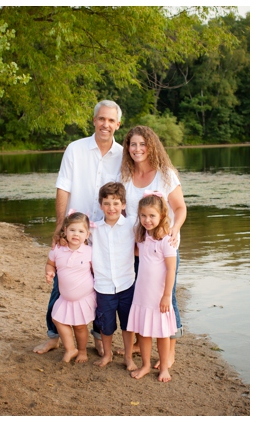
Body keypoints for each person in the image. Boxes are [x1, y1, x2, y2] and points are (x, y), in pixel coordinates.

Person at [35, 100, 123, 355]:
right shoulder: (75, 149)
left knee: (100, 283)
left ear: (118, 124)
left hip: (105, 231)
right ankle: (53, 335)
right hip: (75, 230)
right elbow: (63, 187)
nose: (105, 124)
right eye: (101, 119)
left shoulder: (122, 155)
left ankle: (98, 336)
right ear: (94, 120)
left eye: (111, 120)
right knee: (62, 279)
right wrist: (60, 226)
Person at [120, 125, 187, 369]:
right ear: (128, 148)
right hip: (137, 247)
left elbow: (180, 208)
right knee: (141, 294)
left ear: (152, 146)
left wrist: (174, 230)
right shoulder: (125, 175)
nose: (137, 149)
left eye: (142, 144)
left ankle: (170, 352)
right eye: (133, 144)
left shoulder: (165, 173)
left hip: (163, 247)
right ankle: (142, 342)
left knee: (167, 297)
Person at [126, 193, 177, 382]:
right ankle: (146, 365)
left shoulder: (167, 240)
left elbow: (171, 269)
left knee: (162, 334)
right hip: (142, 293)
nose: (147, 220)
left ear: (162, 215)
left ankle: (164, 368)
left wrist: (166, 296)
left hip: (159, 295)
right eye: (143, 216)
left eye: (152, 216)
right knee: (144, 332)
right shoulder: (141, 235)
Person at [89, 183, 137, 370]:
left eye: (116, 203)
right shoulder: (94, 228)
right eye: (107, 203)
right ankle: (107, 355)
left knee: (127, 323)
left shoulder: (131, 224)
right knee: (106, 325)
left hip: (126, 283)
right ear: (101, 205)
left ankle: (128, 357)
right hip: (103, 285)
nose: (111, 208)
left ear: (123, 204)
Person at [44, 212, 96, 363]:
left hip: (83, 297)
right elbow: (50, 264)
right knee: (58, 319)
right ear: (65, 230)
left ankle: (82, 350)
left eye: (81, 231)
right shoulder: (57, 250)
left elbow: (95, 271)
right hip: (65, 297)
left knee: (80, 326)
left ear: (87, 234)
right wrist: (49, 272)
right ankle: (70, 349)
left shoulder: (89, 252)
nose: (76, 234)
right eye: (72, 230)